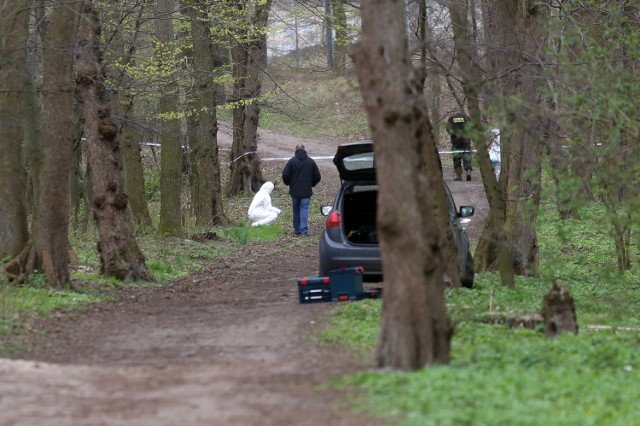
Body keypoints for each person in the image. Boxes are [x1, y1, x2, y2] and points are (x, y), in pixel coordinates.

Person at [282, 144, 321, 236]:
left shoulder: (291, 161)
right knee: (304, 209)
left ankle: (297, 231)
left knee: (296, 210)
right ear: (304, 150)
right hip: (306, 191)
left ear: (296, 151)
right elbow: (317, 176)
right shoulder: (311, 162)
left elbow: (285, 174)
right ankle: (303, 231)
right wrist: (312, 184)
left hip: (294, 191)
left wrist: (288, 183)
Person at [446, 112, 473, 181]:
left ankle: (459, 175)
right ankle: (468, 171)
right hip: (466, 139)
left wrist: (454, 134)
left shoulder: (451, 118)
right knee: (467, 155)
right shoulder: (466, 117)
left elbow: (448, 129)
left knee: (456, 157)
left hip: (456, 140)